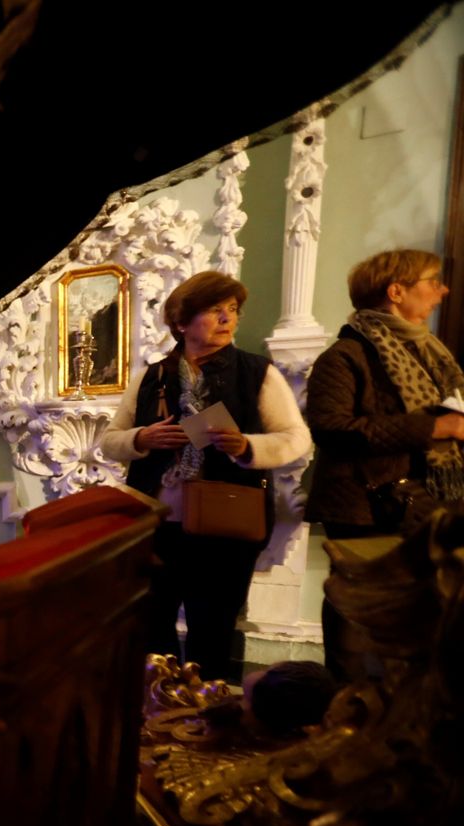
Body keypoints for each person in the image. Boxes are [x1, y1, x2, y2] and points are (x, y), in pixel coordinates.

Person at [100, 271, 310, 682]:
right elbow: (109, 441)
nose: (227, 319)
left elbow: (296, 437)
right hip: (155, 523)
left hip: (225, 525)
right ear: (181, 322)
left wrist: (247, 447)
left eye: (232, 310)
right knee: (152, 628)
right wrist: (143, 437)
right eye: (215, 310)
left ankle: (207, 717)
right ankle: (158, 713)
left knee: (212, 631)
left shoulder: (256, 373)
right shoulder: (152, 376)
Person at [302, 249, 464, 680]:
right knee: (355, 621)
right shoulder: (345, 355)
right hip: (364, 506)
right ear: (396, 292)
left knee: (414, 624)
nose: (442, 291)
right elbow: (331, 428)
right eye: (432, 281)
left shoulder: (431, 356)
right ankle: (348, 716)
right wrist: (434, 428)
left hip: (421, 505)